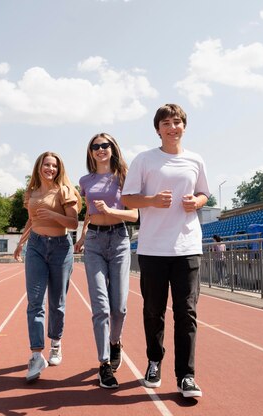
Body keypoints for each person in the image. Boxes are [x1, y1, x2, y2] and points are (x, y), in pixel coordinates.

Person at [121, 104, 210, 398]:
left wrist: (197, 203)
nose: (173, 127)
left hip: (187, 246)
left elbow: (204, 192)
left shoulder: (195, 160)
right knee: (153, 310)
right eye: (166, 123)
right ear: (157, 129)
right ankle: (154, 361)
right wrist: (151, 201)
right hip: (153, 248)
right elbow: (128, 199)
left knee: (187, 312)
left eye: (177, 122)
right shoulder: (145, 160)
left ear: (184, 126)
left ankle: (186, 375)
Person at [74, 133, 138, 389]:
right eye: (95, 146)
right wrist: (81, 236)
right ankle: (104, 364)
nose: (100, 149)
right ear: (90, 152)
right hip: (94, 243)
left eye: (105, 145)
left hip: (120, 239)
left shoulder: (125, 176)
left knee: (119, 307)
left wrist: (111, 211)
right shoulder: (84, 180)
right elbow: (88, 212)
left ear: (113, 148)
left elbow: (134, 214)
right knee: (100, 306)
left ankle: (115, 342)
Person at [13, 151, 81, 381]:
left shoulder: (65, 191)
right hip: (36, 247)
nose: (50, 169)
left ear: (59, 168)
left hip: (61, 247)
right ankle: (35, 354)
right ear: (39, 167)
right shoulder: (31, 192)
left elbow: (73, 223)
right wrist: (20, 244)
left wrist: (53, 214)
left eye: (54, 165)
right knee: (34, 301)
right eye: (46, 165)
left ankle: (56, 343)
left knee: (57, 302)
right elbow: (31, 220)